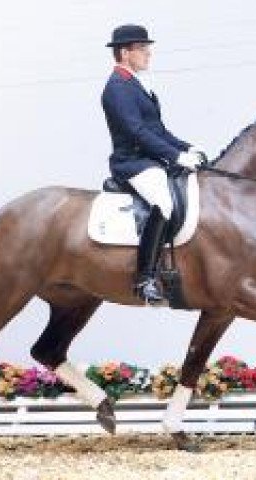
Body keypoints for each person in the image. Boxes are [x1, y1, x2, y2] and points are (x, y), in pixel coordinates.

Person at [101, 24, 206, 304]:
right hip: (132, 163)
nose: (148, 53)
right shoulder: (117, 88)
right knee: (164, 203)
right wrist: (175, 157)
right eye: (142, 48)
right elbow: (137, 132)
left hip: (150, 160)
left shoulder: (137, 85)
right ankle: (144, 277)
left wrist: (187, 147)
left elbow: (159, 131)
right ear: (125, 53)